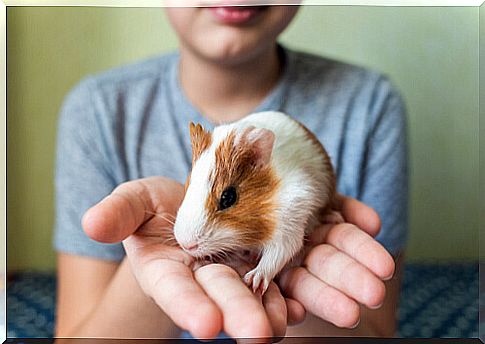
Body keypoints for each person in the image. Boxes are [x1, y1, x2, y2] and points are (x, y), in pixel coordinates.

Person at [53, 4, 408, 340]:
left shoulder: (371, 106)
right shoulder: (96, 110)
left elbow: (375, 329)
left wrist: (269, 270)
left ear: (258, 162)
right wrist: (143, 273)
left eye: (226, 199)